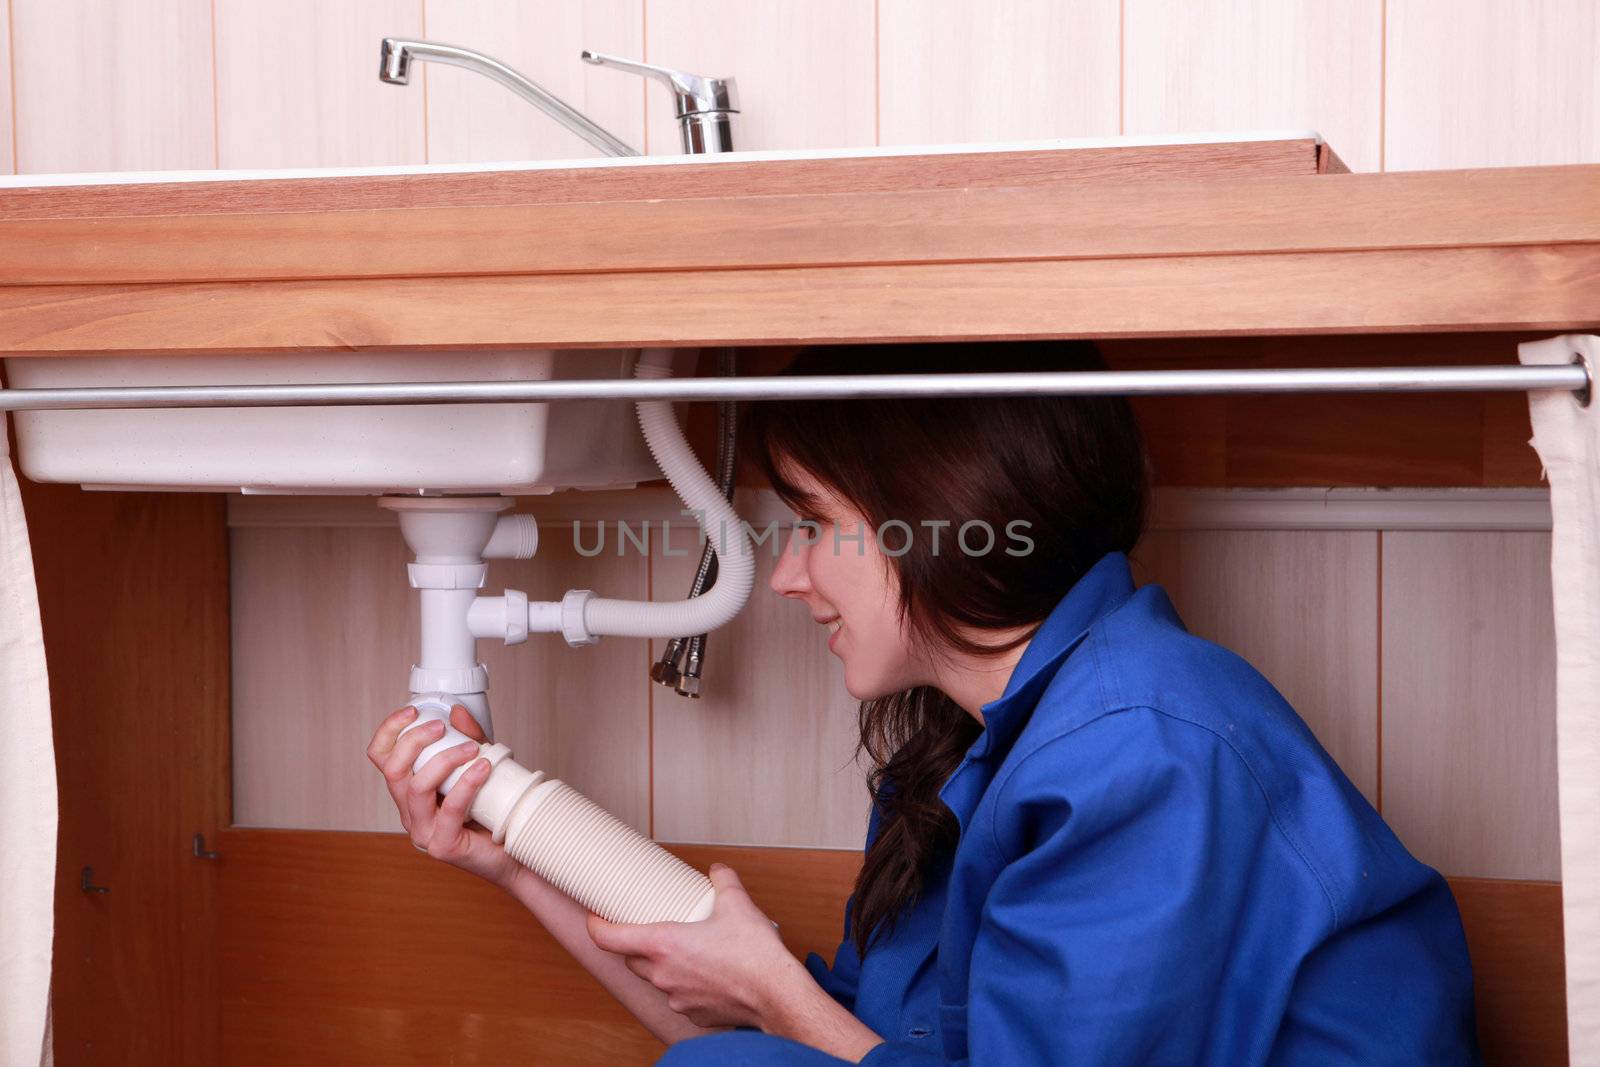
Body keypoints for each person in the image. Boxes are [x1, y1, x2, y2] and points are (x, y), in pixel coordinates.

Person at [366, 340, 1483, 1065]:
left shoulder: (1142, 749)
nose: (791, 575)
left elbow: (792, 1028)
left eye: (810, 523)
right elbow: (804, 1033)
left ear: (932, 517)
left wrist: (768, 991)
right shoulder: (963, 756)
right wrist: (511, 855)